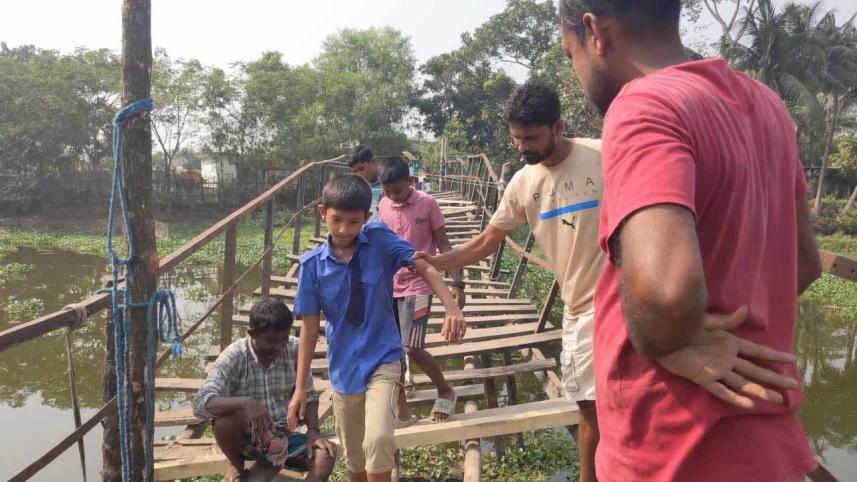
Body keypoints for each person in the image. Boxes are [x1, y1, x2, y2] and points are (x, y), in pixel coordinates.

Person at [558, 0, 822, 480]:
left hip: (673, 447)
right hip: (765, 442)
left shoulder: (644, 105)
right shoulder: (767, 105)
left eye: (569, 52)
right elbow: (805, 263)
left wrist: (670, 339)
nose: (576, 70)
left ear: (595, 32)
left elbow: (664, 296)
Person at [415, 82, 605, 482]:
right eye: (516, 138)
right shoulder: (522, 182)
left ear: (558, 126)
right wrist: (436, 261)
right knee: (588, 406)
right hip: (580, 309)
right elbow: (486, 241)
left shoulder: (604, 154)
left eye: (530, 138)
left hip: (627, 301)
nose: (521, 147)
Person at [287, 174, 466, 482]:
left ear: (367, 218)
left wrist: (451, 306)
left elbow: (423, 265)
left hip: (383, 357)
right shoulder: (312, 266)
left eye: (354, 222)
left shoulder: (380, 241)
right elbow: (309, 329)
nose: (344, 230)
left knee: (379, 439)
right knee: (355, 454)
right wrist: (301, 387)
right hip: (344, 368)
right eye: (336, 220)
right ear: (322, 213)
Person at [192, 298, 336, 482]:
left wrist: (313, 431)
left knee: (325, 456)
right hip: (247, 441)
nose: (279, 346)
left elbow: (308, 395)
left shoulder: (294, 348)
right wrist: (246, 403)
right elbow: (200, 404)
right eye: (272, 341)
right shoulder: (234, 356)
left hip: (283, 437)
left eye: (283, 339)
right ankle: (236, 464)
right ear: (252, 333)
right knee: (223, 422)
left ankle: (270, 462)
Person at [376, 157, 466, 424]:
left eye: (398, 190)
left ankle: (445, 389)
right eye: (388, 191)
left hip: (420, 284)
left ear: (410, 182)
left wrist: (457, 283)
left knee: (411, 347)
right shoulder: (383, 204)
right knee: (393, 350)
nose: (393, 196)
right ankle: (402, 411)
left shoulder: (427, 203)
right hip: (390, 284)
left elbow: (444, 245)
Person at [346, 145, 384, 221]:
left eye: (361, 169)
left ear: (373, 162)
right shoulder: (356, 189)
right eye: (355, 171)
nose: (359, 174)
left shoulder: (388, 186)